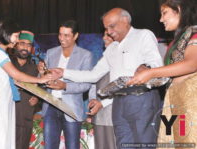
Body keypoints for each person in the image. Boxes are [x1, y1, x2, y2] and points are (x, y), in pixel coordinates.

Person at [51, 8, 163, 149]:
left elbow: (156, 63)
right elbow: (93, 75)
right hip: (118, 104)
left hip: (141, 100)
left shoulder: (143, 35)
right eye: (106, 28)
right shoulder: (112, 49)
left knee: (145, 144)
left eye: (112, 26)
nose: (109, 31)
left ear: (125, 21)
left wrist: (145, 67)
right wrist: (63, 72)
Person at [128, 0, 197, 146]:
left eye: (164, 13)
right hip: (171, 102)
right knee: (170, 142)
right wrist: (145, 71)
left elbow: (191, 65)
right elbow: (169, 74)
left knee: (186, 142)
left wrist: (152, 73)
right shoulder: (174, 42)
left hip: (188, 103)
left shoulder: (194, 34)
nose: (161, 19)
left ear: (178, 9)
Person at [0, 18, 53, 149]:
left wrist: (40, 75)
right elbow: (16, 75)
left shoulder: (0, 52)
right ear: (6, 34)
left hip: (4, 105)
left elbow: (15, 81)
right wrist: (41, 80)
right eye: (16, 36)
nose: (17, 40)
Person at [38, 20, 93, 149]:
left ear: (75, 36)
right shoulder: (51, 53)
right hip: (51, 106)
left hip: (71, 109)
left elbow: (86, 85)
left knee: (72, 146)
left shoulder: (86, 56)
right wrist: (41, 74)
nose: (62, 38)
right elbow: (41, 83)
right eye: (60, 34)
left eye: (66, 35)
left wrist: (65, 86)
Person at [10, 30, 40, 149]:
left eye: (28, 45)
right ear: (15, 44)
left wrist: (37, 99)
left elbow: (42, 93)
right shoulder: (6, 64)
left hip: (24, 119)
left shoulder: (35, 69)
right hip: (7, 117)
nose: (25, 48)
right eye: (22, 43)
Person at [87, 31, 117, 149]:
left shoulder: (124, 60)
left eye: (108, 35)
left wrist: (102, 103)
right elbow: (93, 83)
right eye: (104, 35)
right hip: (99, 115)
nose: (104, 38)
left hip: (114, 114)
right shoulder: (102, 60)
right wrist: (92, 99)